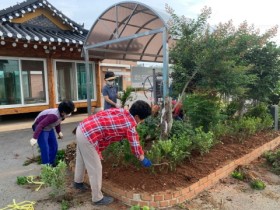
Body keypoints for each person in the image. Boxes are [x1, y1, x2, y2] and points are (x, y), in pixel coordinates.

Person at [73, 100, 152, 206]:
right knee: (96, 168)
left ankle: (78, 183)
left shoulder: (123, 111)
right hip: (88, 136)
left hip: (82, 128)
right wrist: (143, 159)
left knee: (81, 159)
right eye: (142, 119)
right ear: (137, 117)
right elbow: (135, 146)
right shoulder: (130, 126)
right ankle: (97, 199)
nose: (142, 121)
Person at [30, 100, 75, 166]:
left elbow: (57, 122)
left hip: (48, 127)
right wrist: (34, 138)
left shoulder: (62, 115)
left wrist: (58, 131)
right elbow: (40, 125)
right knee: (45, 148)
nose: (69, 114)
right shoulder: (53, 116)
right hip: (39, 127)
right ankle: (46, 167)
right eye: (69, 113)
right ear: (63, 112)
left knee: (54, 146)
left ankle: (51, 163)